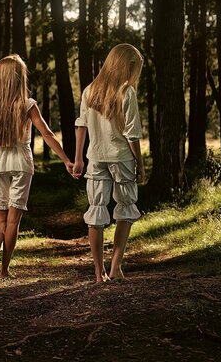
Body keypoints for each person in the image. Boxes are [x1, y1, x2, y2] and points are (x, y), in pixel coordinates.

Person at [0, 54, 73, 282]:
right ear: (20, 79)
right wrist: (66, 160)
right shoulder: (27, 105)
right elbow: (47, 134)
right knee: (13, 220)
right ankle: (3, 269)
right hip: (21, 162)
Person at [72, 43, 146, 283]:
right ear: (127, 66)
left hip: (95, 157)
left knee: (96, 211)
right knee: (125, 209)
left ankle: (97, 271)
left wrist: (78, 158)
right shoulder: (127, 92)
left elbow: (81, 125)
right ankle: (115, 267)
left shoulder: (89, 90)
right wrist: (141, 164)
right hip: (121, 157)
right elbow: (132, 135)